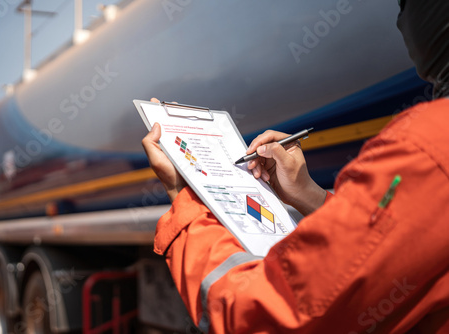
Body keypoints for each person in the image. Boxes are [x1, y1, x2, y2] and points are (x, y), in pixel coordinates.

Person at [141, 0, 449, 332]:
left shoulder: (429, 148)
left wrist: (183, 194)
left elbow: (257, 315)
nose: (401, 20)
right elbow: (394, 249)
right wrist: (310, 196)